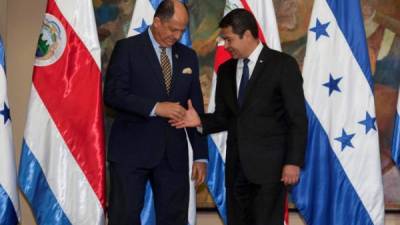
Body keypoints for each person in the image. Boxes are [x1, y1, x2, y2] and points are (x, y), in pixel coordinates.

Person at [171, 9, 308, 225]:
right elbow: (226, 117)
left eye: (228, 39)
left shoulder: (282, 65)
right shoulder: (226, 70)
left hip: (269, 171)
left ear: (246, 34)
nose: (225, 46)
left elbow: (297, 119)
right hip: (236, 171)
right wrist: (200, 121)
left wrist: (293, 162)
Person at [104, 0, 208, 224]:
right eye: (173, 29)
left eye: (182, 30)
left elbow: (195, 108)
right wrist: (155, 108)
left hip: (173, 154)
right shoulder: (127, 49)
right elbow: (113, 94)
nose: (177, 36)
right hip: (131, 152)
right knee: (124, 217)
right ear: (157, 22)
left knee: (174, 218)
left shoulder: (188, 56)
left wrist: (200, 155)